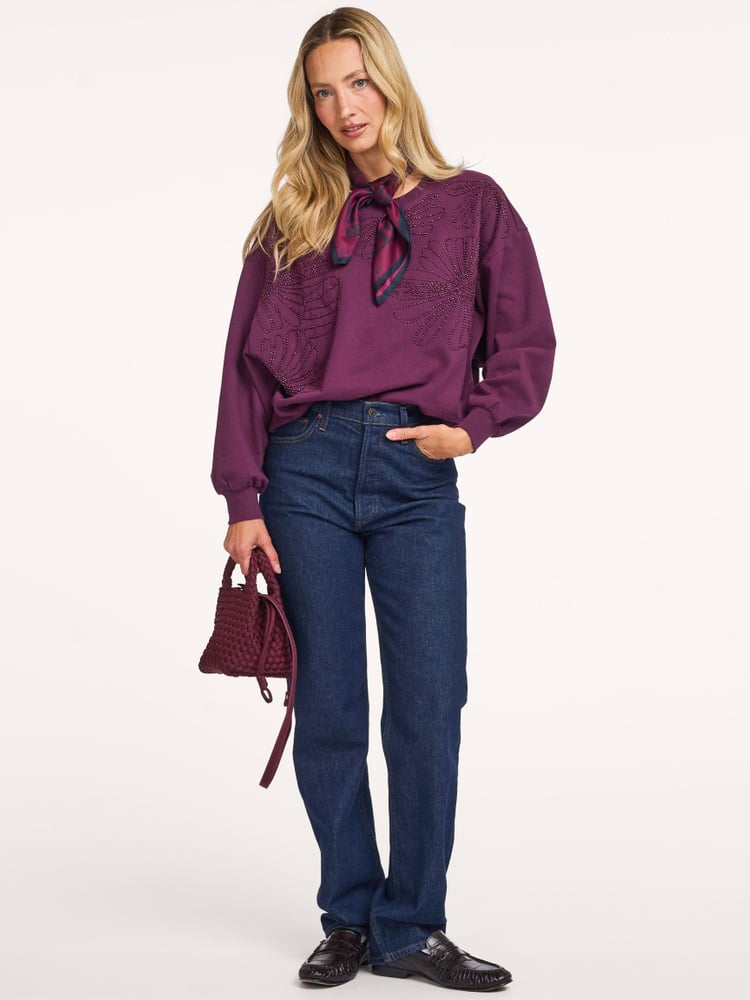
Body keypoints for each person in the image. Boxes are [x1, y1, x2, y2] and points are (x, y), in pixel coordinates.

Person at [210, 6, 555, 990]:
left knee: (430, 702)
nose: (344, 106)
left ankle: (411, 924)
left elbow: (527, 339)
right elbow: (242, 371)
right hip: (305, 470)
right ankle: (350, 916)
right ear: (308, 106)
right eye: (323, 91)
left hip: (416, 476)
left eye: (357, 81)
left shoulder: (473, 204)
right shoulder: (290, 222)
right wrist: (242, 498)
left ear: (390, 80)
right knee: (327, 704)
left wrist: (473, 426)